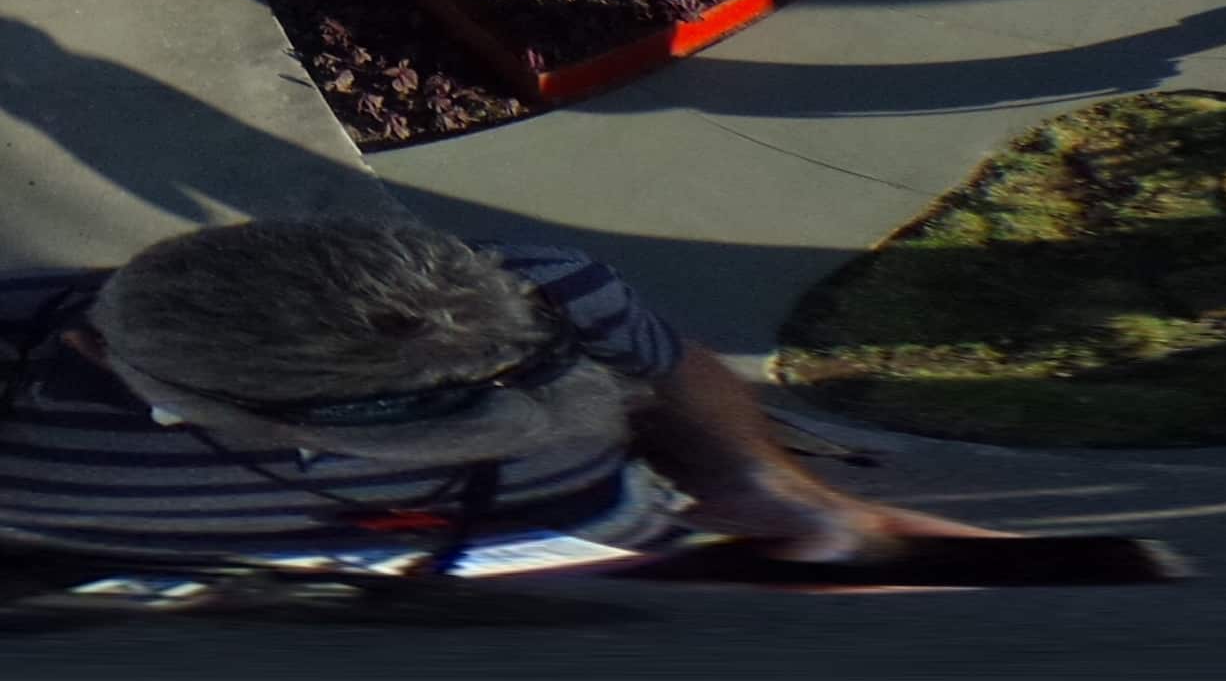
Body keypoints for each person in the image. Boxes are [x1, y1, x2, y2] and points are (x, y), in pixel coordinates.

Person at [0, 216, 993, 578]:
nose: (86, 321)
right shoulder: (552, 286)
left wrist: (756, 478)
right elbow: (667, 369)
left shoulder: (548, 286)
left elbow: (669, 368)